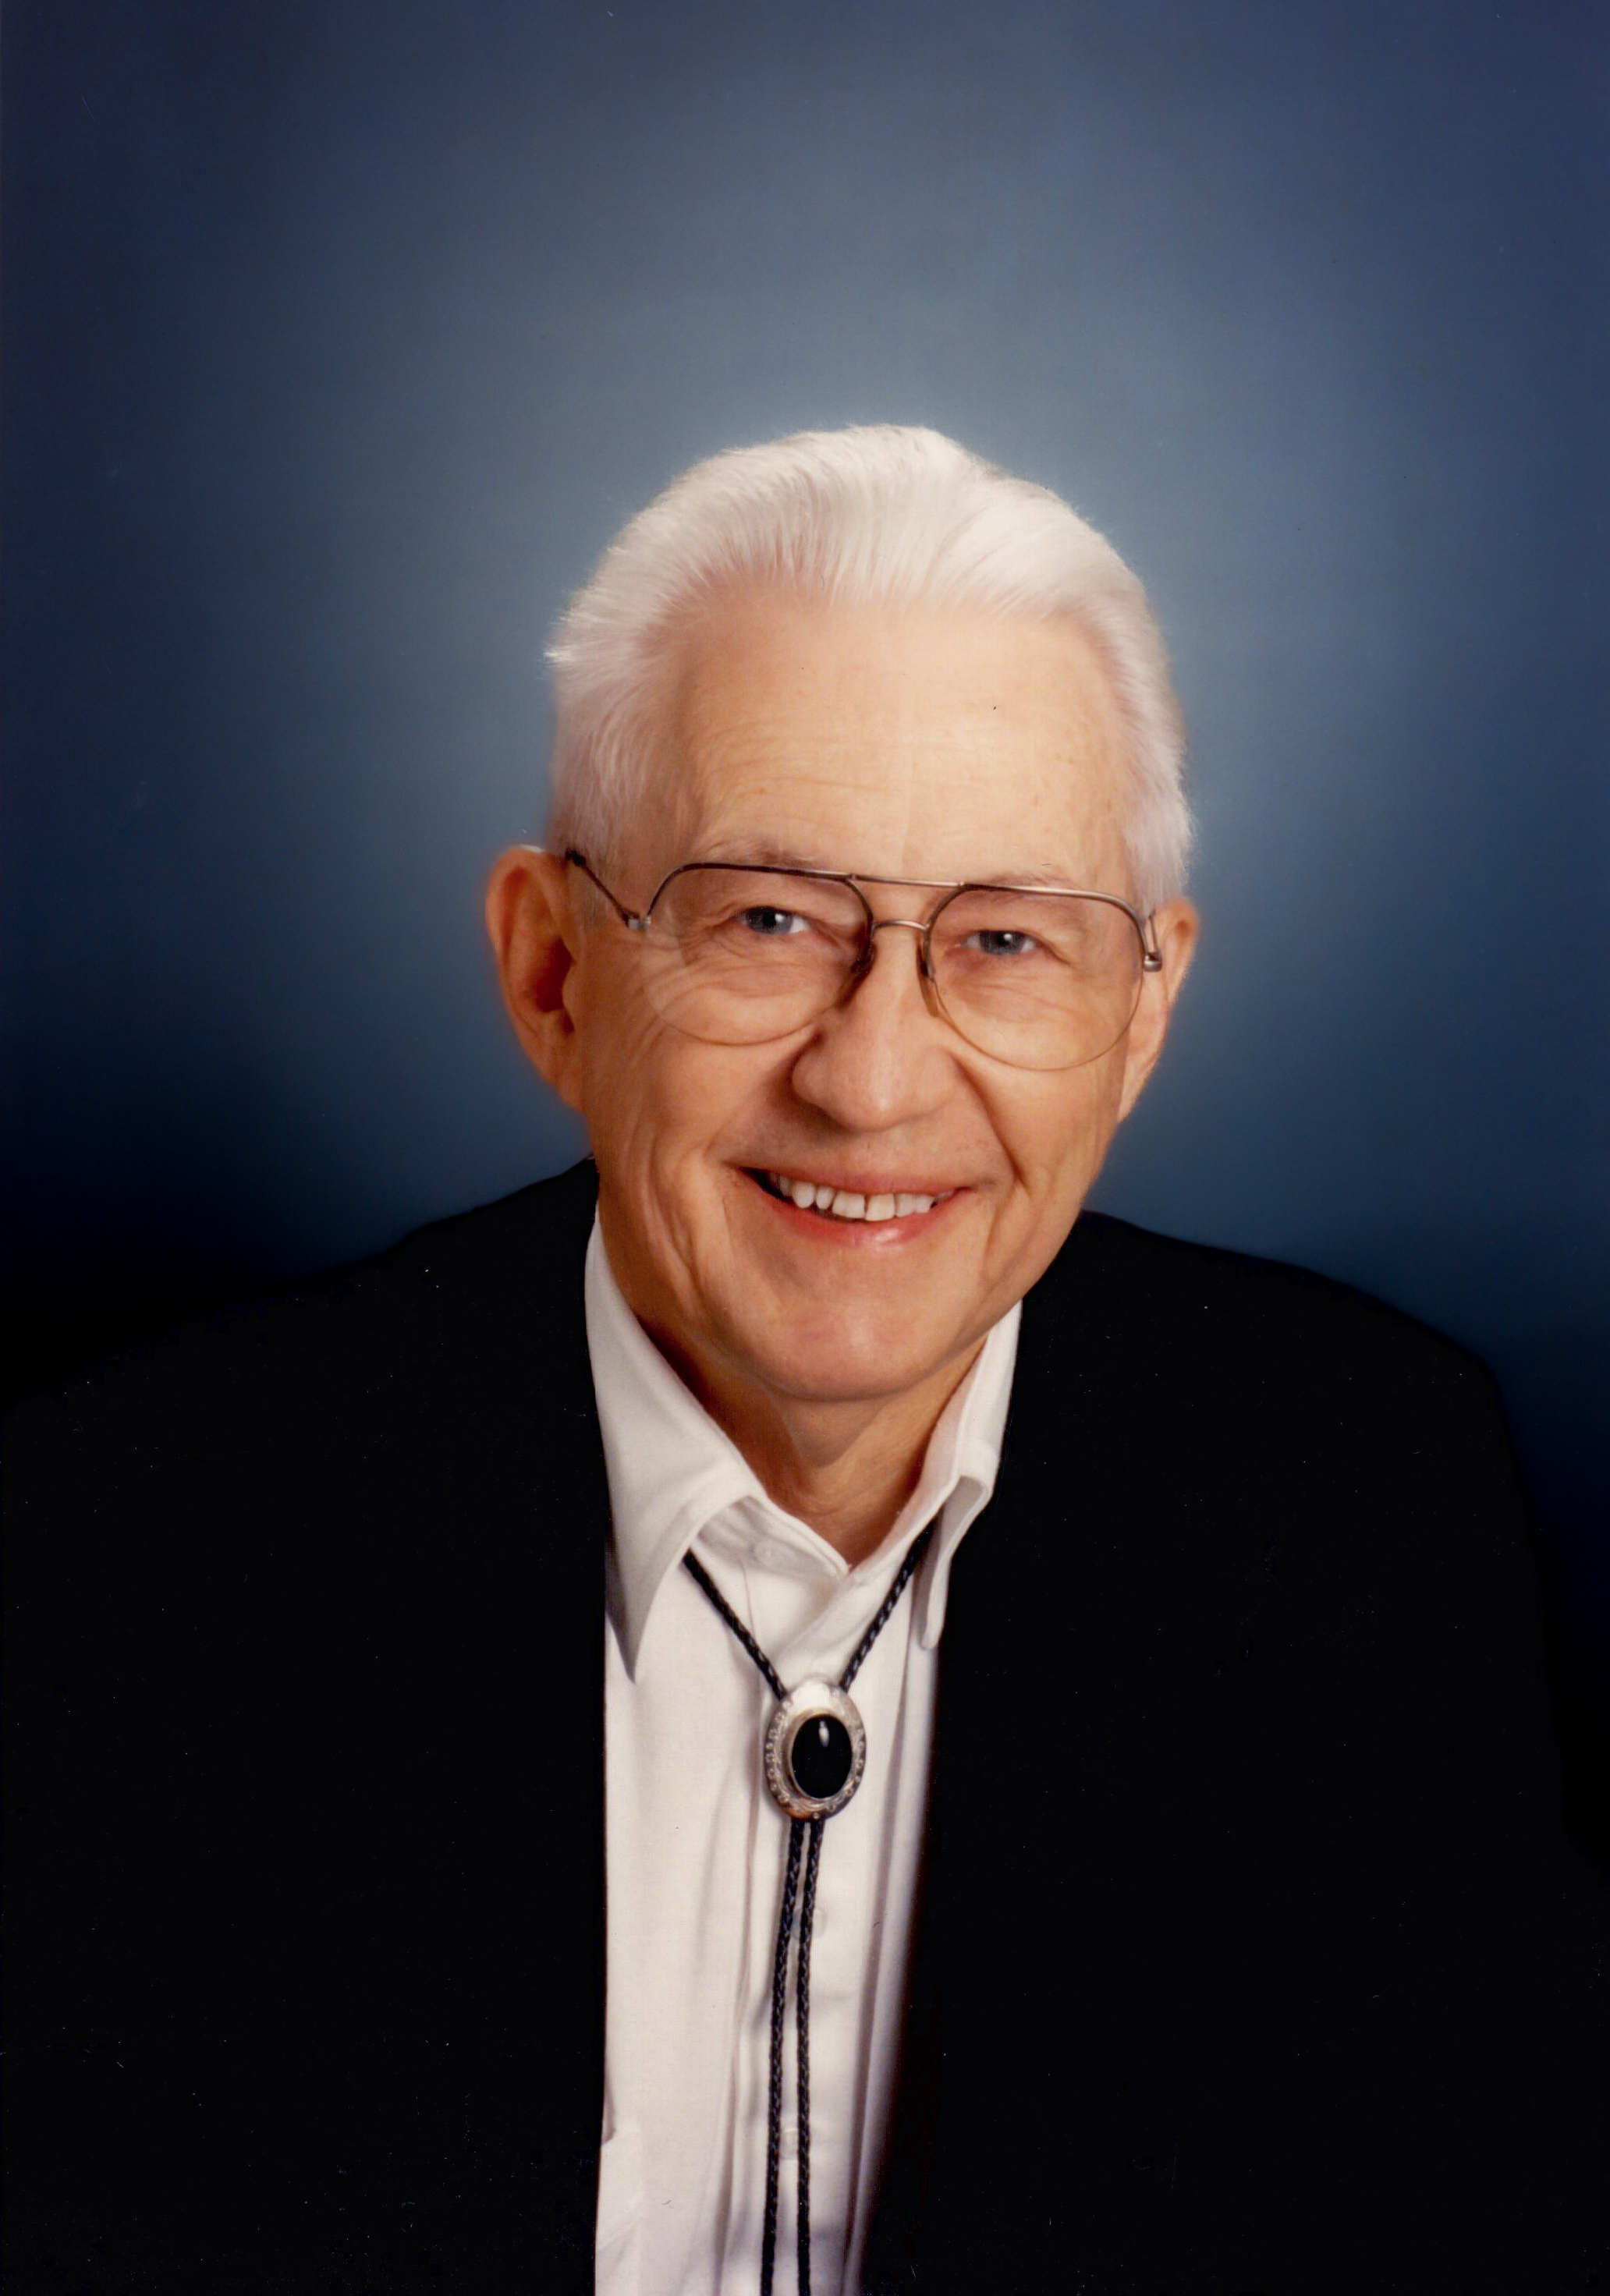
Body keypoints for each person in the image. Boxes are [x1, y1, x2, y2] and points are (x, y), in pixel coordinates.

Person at [3, 427, 1605, 2295]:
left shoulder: (1374, 1508)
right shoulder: (125, 1545)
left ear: (1142, 1011)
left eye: (1006, 939)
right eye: (769, 917)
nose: (873, 1079)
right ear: (554, 974)